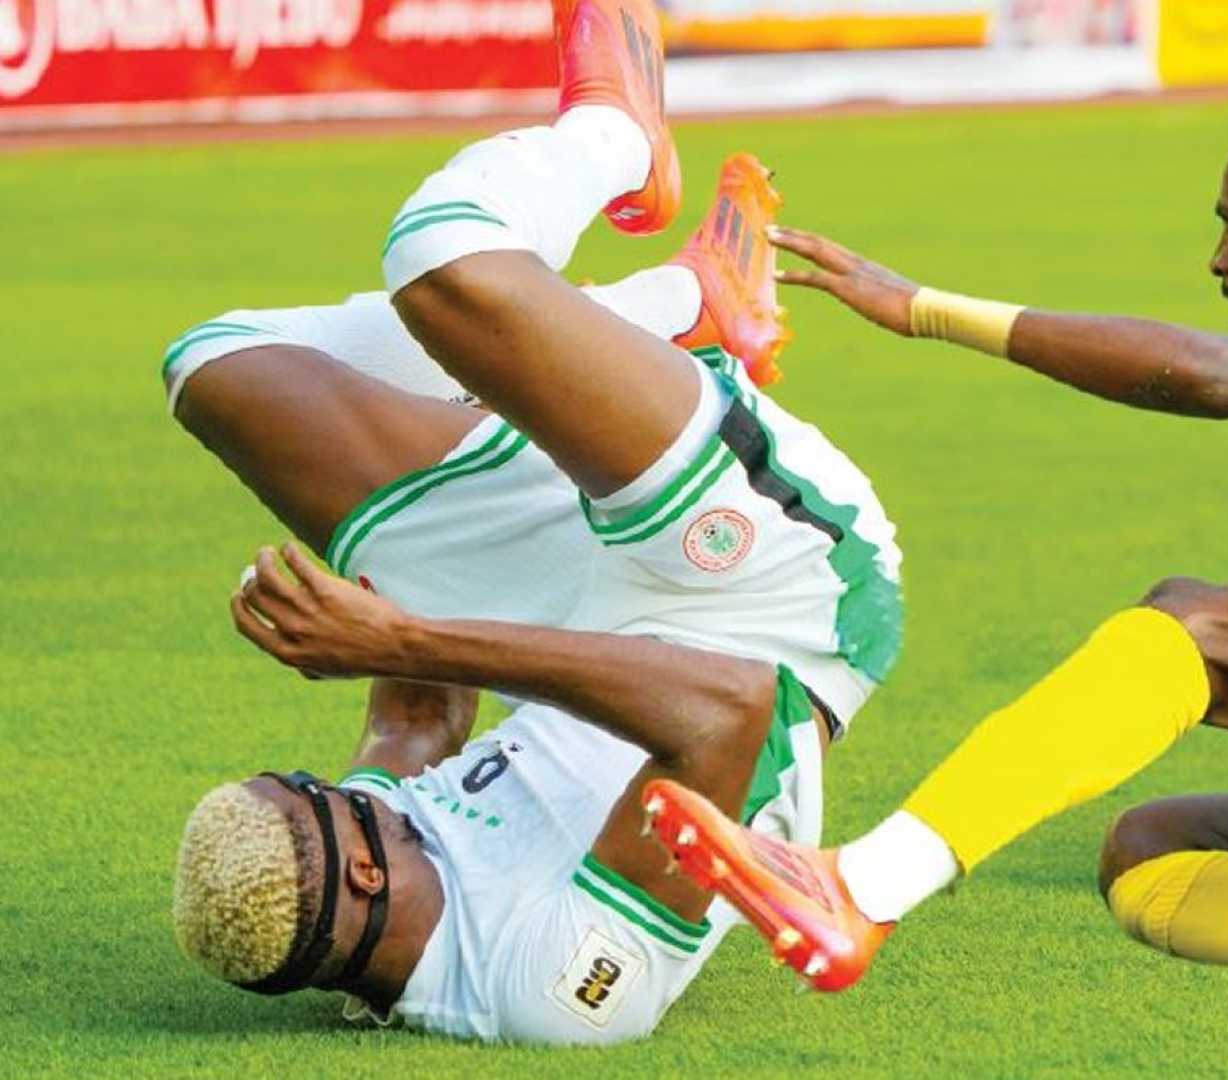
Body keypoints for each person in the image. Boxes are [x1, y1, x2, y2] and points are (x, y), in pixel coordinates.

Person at [642, 74, 1228, 1006]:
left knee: (1198, 629)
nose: (1219, 259)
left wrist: (927, 309)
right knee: (1153, 846)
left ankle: (861, 886)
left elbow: (1220, 375)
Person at [165, 0, 901, 1042]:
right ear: (364, 872)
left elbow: (419, 721)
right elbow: (731, 710)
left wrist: (361, 592)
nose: (343, 784)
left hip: (588, 612)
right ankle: (615, 140)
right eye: (321, 793)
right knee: (445, 261)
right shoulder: (552, 988)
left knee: (219, 371)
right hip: (778, 601)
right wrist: (400, 636)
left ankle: (674, 308)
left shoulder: (365, 873)